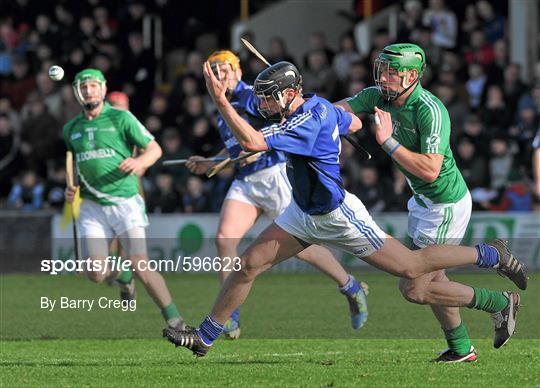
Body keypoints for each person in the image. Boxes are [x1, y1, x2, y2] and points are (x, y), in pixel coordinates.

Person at [163, 60, 526, 358]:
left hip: (339, 217)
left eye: (269, 99)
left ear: (290, 94)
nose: (263, 107)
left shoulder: (306, 119)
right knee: (248, 265)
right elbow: (351, 120)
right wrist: (332, 127)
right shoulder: (317, 108)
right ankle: (205, 338)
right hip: (302, 214)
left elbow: (254, 141)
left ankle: (489, 255)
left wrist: (221, 101)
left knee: (412, 270)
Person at [335, 43, 514, 362]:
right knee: (436, 281)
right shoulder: (379, 95)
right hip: (422, 202)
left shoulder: (429, 110)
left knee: (414, 288)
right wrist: (301, 111)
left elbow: (431, 171)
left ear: (413, 76)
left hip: (445, 203)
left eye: (392, 72)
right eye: (383, 70)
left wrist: (387, 143)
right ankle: (461, 349)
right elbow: (338, 109)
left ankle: (500, 302)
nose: (384, 77)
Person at [185, 50, 370, 339]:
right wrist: (213, 160)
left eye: (224, 70)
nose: (220, 76)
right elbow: (238, 143)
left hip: (274, 175)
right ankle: (228, 313)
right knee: (224, 239)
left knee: (304, 245)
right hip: (246, 181)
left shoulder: (250, 96)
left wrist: (253, 148)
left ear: (237, 70)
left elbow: (275, 131)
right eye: (214, 71)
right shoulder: (225, 103)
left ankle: (349, 284)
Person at [63, 68, 185, 331]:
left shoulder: (121, 118)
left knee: (141, 264)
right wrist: (70, 187)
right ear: (77, 92)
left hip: (125, 202)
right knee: (95, 273)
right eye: (83, 87)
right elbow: (74, 164)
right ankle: (123, 274)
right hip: (91, 207)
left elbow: (154, 149)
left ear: (104, 89)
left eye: (93, 85)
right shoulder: (71, 129)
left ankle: (176, 321)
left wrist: (139, 161)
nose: (88, 91)